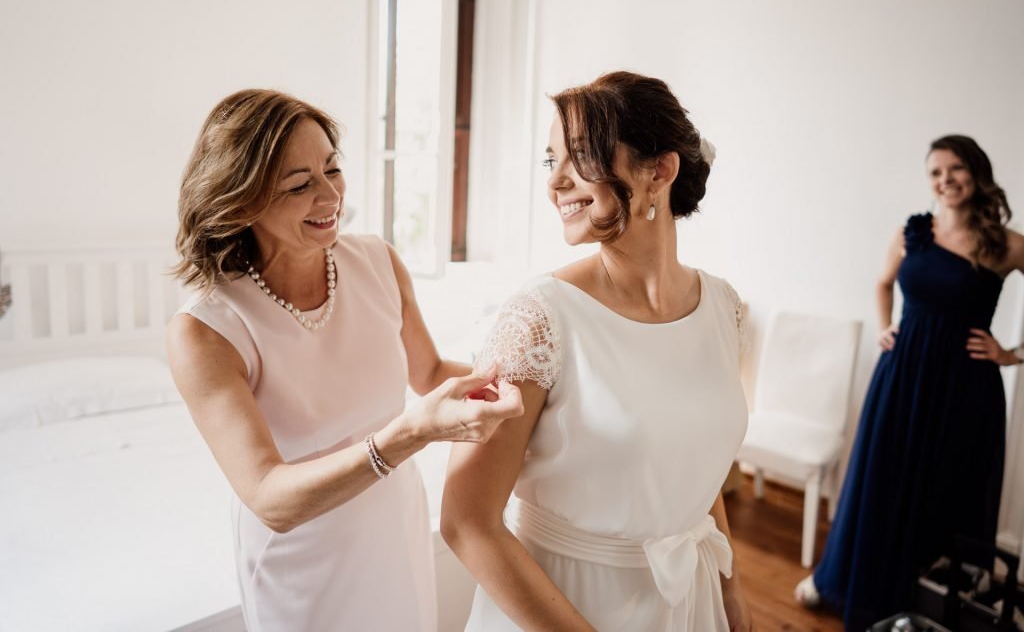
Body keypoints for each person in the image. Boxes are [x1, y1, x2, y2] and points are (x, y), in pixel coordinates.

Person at [166, 89, 523, 632]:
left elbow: (427, 374)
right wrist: (408, 435)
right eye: (299, 184)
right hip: (300, 562)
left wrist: (533, 380)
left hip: (393, 528)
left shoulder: (377, 261)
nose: (330, 194)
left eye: (332, 169)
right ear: (243, 200)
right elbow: (269, 497)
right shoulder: (206, 330)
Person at [441, 71, 754, 631]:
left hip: (689, 599)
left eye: (579, 156)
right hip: (566, 605)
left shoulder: (724, 308)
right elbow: (466, 521)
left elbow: (693, 467)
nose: (556, 181)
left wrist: (731, 594)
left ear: (659, 170)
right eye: (550, 160)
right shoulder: (538, 319)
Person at [795, 135, 1024, 629]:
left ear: (977, 173)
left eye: (955, 169)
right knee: (880, 480)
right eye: (936, 173)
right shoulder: (912, 232)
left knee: (944, 490)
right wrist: (885, 327)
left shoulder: (1006, 244)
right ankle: (845, 581)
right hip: (901, 378)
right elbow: (882, 283)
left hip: (965, 389)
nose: (946, 181)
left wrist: (1012, 354)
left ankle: (923, 605)